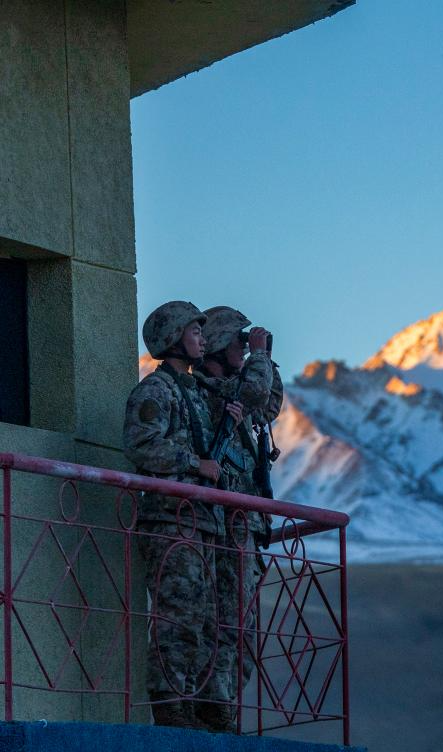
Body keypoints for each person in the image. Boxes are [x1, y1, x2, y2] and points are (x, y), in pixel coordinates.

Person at [123, 301, 238, 728]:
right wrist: (195, 465)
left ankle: (193, 705)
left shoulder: (194, 392)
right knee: (178, 617)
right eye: (195, 332)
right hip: (170, 521)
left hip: (199, 522)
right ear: (173, 338)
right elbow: (142, 445)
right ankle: (171, 706)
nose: (203, 340)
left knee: (203, 619)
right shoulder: (156, 391)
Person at [192, 306, 282, 732]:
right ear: (214, 347)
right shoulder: (209, 391)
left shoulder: (238, 390)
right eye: (237, 342)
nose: (243, 350)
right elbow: (253, 394)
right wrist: (259, 358)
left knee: (243, 628)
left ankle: (223, 706)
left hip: (245, 526)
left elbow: (269, 403)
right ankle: (214, 706)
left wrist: (267, 360)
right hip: (225, 525)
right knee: (226, 621)